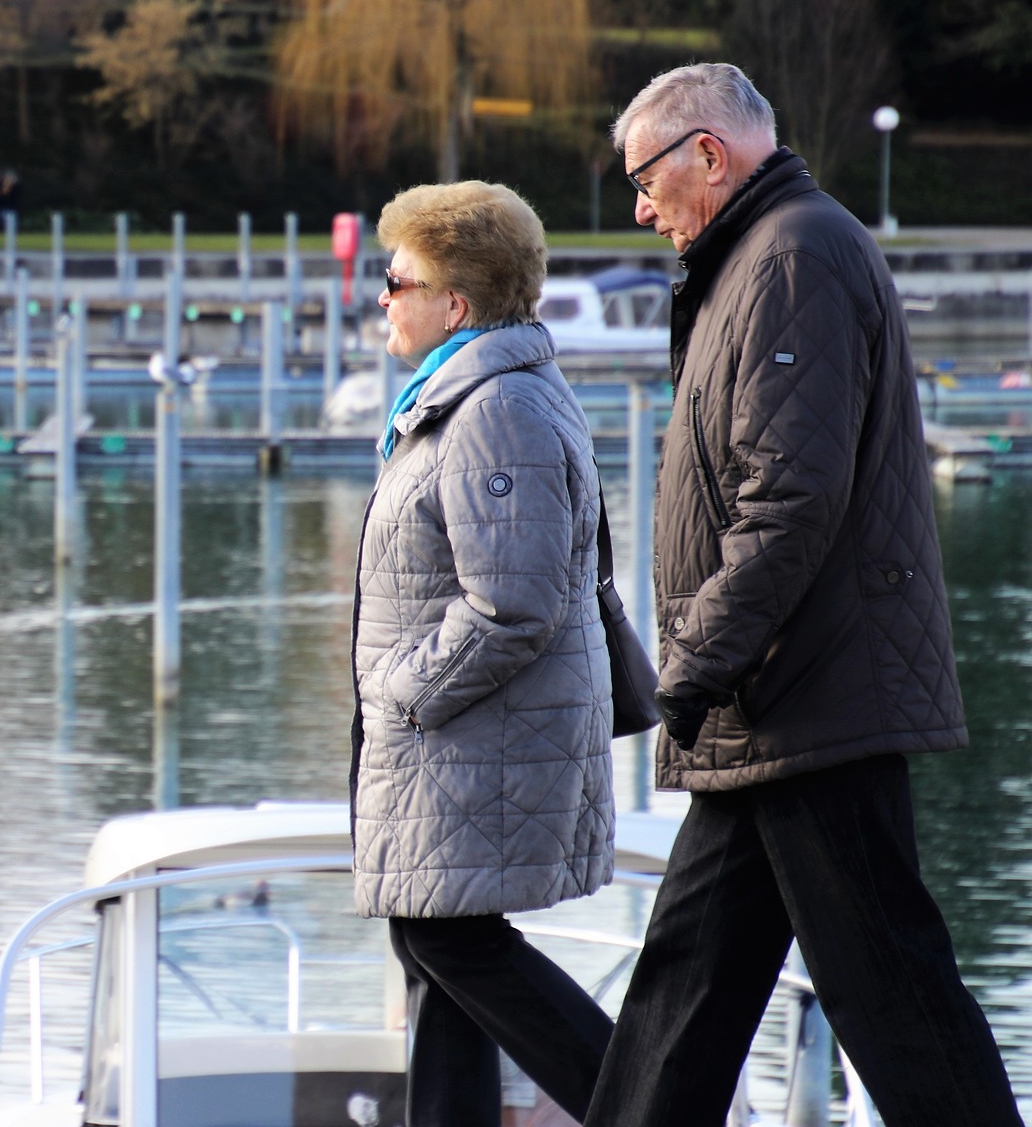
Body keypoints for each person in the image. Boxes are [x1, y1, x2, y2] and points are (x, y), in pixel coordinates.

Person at [583, 62, 1022, 1127]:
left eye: (645, 180)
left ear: (708, 154)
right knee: (682, 993)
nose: (641, 209)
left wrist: (690, 668)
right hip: (775, 700)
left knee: (897, 1000)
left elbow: (790, 499)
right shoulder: (762, 257)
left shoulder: (794, 258)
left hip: (808, 698)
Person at [351, 180, 616, 1127]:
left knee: (452, 946)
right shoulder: (462, 397)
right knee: (434, 949)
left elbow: (512, 605)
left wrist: (402, 694)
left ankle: (646, 1105)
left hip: (465, 745)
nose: (382, 297)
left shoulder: (494, 410)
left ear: (454, 304)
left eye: (397, 280)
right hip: (456, 749)